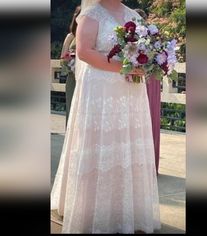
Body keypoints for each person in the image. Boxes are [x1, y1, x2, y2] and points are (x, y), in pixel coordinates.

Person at [51, 0, 161, 233]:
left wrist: (148, 61)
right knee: (100, 144)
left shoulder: (134, 15)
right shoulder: (91, 14)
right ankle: (94, 212)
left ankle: (127, 211)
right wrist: (125, 67)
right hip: (101, 91)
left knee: (126, 144)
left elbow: (146, 47)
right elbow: (84, 52)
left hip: (131, 91)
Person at [134, 8, 161, 175]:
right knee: (147, 120)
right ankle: (148, 166)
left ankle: (147, 167)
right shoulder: (151, 36)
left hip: (146, 78)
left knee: (147, 119)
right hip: (148, 77)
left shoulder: (146, 37)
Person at [60, 5, 81, 126]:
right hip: (72, 78)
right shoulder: (71, 36)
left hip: (86, 77)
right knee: (71, 108)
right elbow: (63, 58)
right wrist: (70, 60)